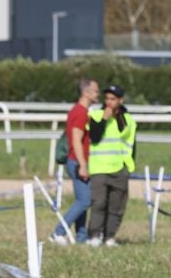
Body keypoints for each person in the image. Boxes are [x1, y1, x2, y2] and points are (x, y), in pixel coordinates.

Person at [49, 77, 99, 245]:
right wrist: (83, 165)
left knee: (82, 200)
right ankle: (58, 231)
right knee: (85, 200)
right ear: (86, 93)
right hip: (77, 162)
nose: (98, 94)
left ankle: (81, 237)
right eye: (95, 91)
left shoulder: (80, 111)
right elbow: (76, 141)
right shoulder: (80, 113)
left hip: (78, 161)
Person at [87, 84, 137, 247]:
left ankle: (110, 237)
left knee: (117, 206)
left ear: (120, 101)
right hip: (100, 167)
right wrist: (104, 119)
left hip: (120, 168)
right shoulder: (96, 115)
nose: (109, 102)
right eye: (107, 98)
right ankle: (95, 235)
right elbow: (94, 137)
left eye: (113, 99)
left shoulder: (127, 119)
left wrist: (128, 167)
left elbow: (131, 144)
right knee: (99, 204)